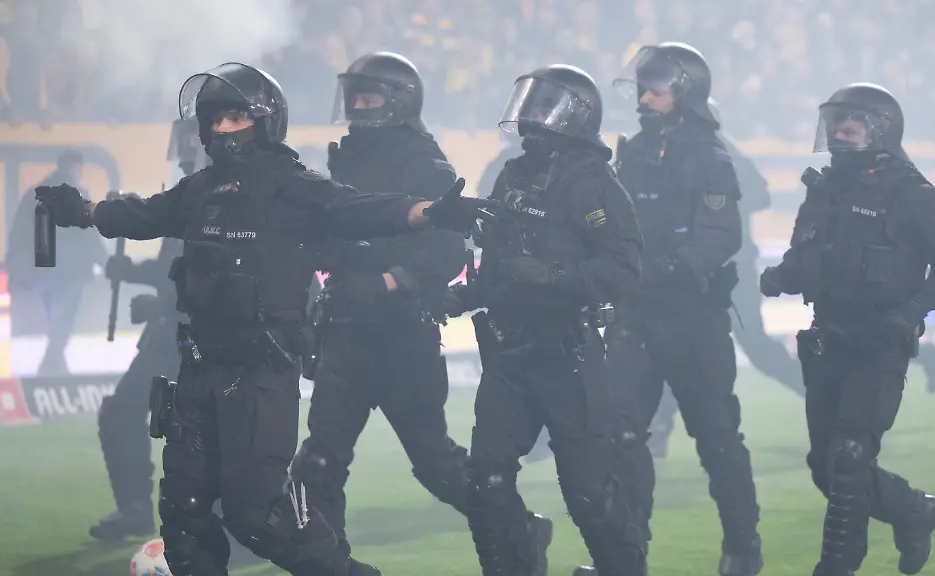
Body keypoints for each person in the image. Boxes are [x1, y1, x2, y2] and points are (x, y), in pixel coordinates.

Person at [35, 61, 492, 576]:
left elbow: (361, 208)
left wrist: (428, 212)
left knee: (258, 514)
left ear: (265, 119)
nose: (224, 130)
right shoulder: (201, 189)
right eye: (216, 120)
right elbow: (144, 215)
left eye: (236, 117)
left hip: (260, 374)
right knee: (184, 517)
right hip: (198, 373)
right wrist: (86, 210)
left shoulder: (295, 186)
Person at [292, 52, 552, 575]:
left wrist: (388, 281)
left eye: (370, 97)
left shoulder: (425, 161)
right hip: (344, 331)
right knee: (317, 466)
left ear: (400, 100)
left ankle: (520, 529)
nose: (358, 107)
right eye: (354, 96)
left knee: (435, 465)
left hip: (401, 334)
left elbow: (449, 249)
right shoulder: (342, 158)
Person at [439, 64, 646, 576]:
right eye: (528, 104)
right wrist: (464, 296)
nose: (531, 116)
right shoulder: (513, 175)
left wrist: (553, 275)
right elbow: (501, 263)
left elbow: (623, 267)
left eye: (543, 105)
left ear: (574, 115)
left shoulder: (595, 184)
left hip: (567, 354)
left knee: (588, 495)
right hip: (510, 355)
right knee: (484, 481)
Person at [760, 83, 935, 575]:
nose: (839, 133)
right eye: (834, 124)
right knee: (826, 468)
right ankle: (915, 511)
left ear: (880, 130)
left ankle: (837, 566)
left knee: (851, 456)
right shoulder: (824, 187)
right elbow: (807, 253)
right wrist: (783, 277)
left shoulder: (912, 192)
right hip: (826, 339)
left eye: (851, 125)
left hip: (880, 344)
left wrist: (915, 307)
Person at [588, 43, 763, 576]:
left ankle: (742, 547)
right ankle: (626, 556)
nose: (643, 98)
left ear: (684, 93)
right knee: (618, 435)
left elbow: (721, 237)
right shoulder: (634, 150)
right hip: (637, 316)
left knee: (714, 436)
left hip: (691, 319)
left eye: (654, 89)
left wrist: (665, 269)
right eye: (641, 88)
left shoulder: (707, 155)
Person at [643, 96, 805, 460]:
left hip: (730, 269)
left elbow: (759, 195)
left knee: (754, 346)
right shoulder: (681, 152)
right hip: (699, 267)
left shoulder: (720, 153)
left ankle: (817, 395)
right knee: (675, 344)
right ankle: (659, 430)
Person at [88, 120, 198, 543]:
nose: (186, 148)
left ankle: (231, 516)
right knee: (120, 411)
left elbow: (218, 276)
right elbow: (170, 269)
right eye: (183, 139)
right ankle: (134, 507)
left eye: (194, 138)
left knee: (199, 429)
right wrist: (133, 272)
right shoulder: (187, 195)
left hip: (205, 341)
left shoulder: (224, 199)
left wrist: (166, 303)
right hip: (166, 336)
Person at [5, 149, 107, 375]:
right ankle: (52, 364)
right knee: (63, 319)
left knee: (55, 317)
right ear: (76, 168)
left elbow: (19, 233)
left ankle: (54, 363)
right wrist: (107, 263)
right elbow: (89, 235)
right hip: (69, 272)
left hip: (41, 270)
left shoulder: (35, 193)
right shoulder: (77, 195)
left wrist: (12, 264)